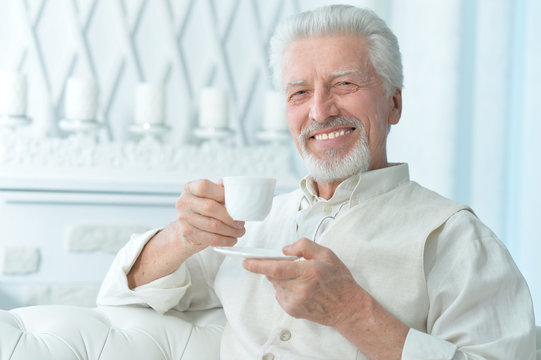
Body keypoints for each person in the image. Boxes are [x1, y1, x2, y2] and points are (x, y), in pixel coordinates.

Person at [97, 4, 536, 359]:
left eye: (345, 83)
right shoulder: (250, 225)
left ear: (394, 104)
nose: (320, 111)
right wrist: (182, 236)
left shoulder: (456, 239)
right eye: (299, 93)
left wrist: (353, 313)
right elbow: (120, 296)